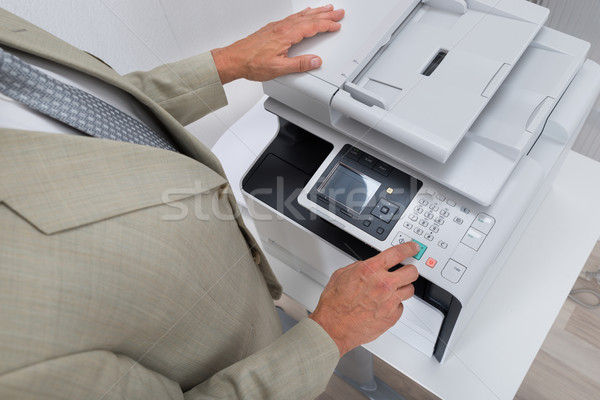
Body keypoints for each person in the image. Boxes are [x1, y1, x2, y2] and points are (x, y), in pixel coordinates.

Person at [0, 5, 419, 399]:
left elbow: (82, 106)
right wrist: (334, 331)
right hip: (223, 347)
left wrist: (225, 63)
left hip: (241, 283)